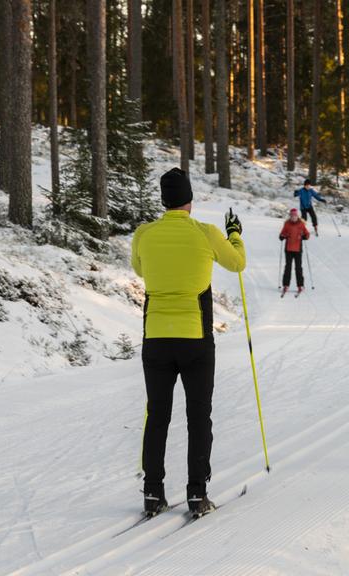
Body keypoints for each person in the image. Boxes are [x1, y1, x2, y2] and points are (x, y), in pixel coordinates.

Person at [130, 167, 247, 518]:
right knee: (199, 415)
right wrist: (235, 234)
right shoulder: (207, 233)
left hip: (156, 337)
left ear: (164, 200)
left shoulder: (144, 234)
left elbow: (139, 270)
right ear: (190, 200)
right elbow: (237, 263)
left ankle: (153, 493)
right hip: (195, 337)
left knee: (157, 415)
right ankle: (197, 494)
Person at [279, 208, 310, 296]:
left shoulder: (301, 224)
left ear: (297, 216)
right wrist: (281, 236)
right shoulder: (287, 224)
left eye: (295, 216)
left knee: (298, 268)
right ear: (290, 216)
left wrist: (305, 237)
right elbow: (282, 233)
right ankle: (286, 285)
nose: (293, 217)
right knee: (288, 267)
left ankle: (300, 285)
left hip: (298, 249)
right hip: (288, 249)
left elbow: (307, 234)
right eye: (292, 216)